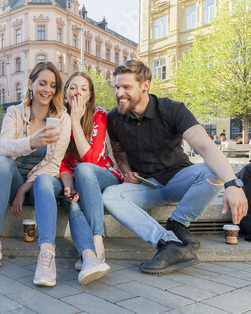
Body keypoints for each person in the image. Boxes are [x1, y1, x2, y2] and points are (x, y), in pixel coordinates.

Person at [103, 60, 248, 274]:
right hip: (145, 186)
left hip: (178, 180)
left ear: (145, 86)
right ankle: (168, 242)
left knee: (213, 171)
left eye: (126, 87)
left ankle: (178, 222)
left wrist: (233, 184)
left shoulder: (172, 109)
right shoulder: (115, 117)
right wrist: (125, 169)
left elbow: (206, 147)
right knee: (109, 196)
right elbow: (117, 150)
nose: (119, 93)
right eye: (117, 87)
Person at [0, 61, 71, 287]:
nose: (47, 90)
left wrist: (24, 188)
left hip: (43, 185)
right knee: (2, 162)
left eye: (52, 85)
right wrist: (32, 141)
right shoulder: (14, 112)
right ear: (31, 84)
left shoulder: (62, 118)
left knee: (42, 179)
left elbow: (54, 164)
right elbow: (4, 147)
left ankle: (46, 254)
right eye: (42, 83)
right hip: (12, 182)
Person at [58, 72, 123, 285]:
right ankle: (88, 255)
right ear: (66, 93)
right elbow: (62, 163)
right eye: (73, 87)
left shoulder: (99, 114)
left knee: (85, 169)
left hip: (103, 175)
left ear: (90, 95)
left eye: (84, 88)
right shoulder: (59, 118)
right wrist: (68, 188)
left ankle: (97, 241)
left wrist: (76, 122)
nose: (78, 92)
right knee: (73, 206)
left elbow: (91, 160)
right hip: (76, 179)